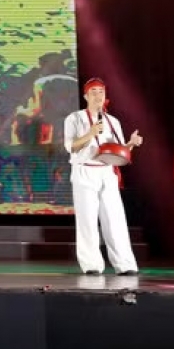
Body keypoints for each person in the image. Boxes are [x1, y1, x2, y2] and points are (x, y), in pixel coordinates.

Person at [63, 78, 142, 275]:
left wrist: (131, 144)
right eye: (94, 92)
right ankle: (91, 265)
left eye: (101, 92)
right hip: (84, 170)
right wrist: (90, 133)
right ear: (85, 96)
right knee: (87, 220)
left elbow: (118, 150)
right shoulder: (74, 118)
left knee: (115, 218)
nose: (98, 95)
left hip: (107, 171)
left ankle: (125, 265)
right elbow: (71, 146)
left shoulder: (112, 121)